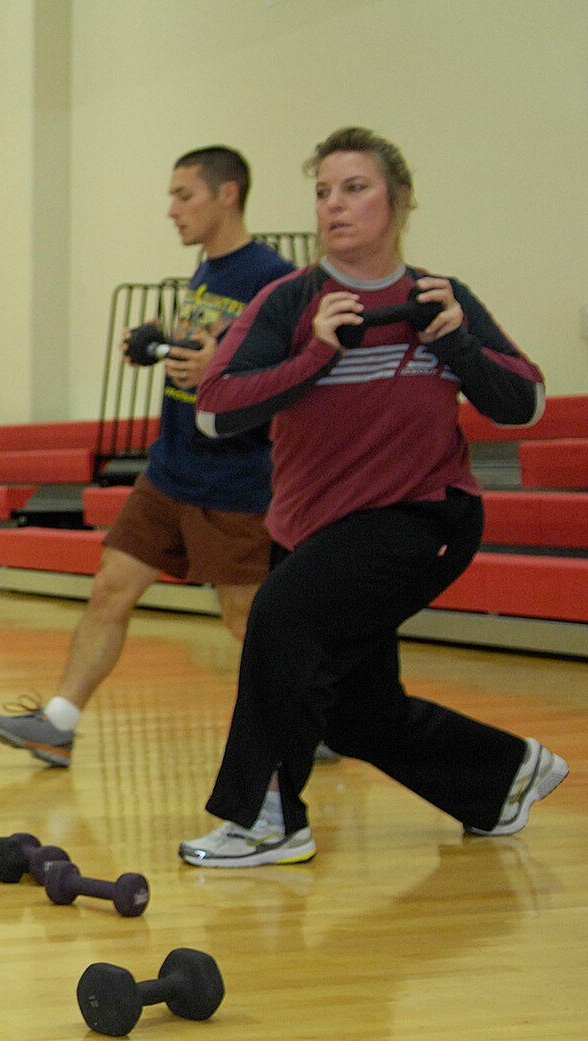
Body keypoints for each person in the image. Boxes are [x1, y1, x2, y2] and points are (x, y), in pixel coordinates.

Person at [182, 126, 565, 867]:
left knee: (280, 613)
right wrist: (315, 355)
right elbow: (215, 407)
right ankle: (501, 776)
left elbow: (527, 404)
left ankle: (265, 816)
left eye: (354, 188)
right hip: (313, 528)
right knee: (359, 713)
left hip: (423, 516)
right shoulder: (289, 301)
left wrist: (457, 345)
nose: (334, 205)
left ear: (401, 200)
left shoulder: (436, 298)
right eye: (323, 191)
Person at [0, 147, 295, 768]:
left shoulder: (272, 278)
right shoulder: (205, 273)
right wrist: (159, 343)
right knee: (110, 589)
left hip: (233, 478)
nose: (171, 209)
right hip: (171, 467)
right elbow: (208, 351)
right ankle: (58, 724)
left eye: (184, 195)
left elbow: (287, 373)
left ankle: (319, 717)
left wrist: (221, 364)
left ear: (227, 194)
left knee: (244, 619)